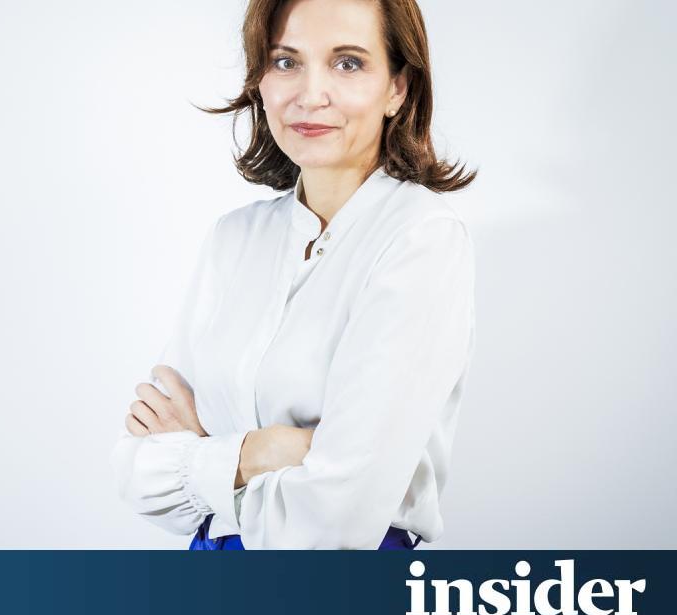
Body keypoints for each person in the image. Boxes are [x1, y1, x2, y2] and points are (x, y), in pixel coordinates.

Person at [110, 0, 477, 550]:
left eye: (348, 63)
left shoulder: (420, 237)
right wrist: (266, 451)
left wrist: (203, 459)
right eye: (286, 62)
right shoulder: (234, 238)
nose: (311, 94)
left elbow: (342, 513)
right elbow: (138, 473)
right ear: (259, 80)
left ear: (398, 89)